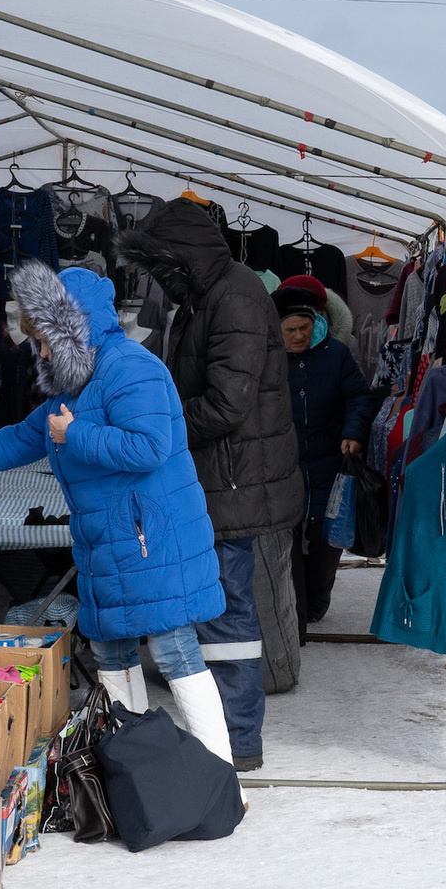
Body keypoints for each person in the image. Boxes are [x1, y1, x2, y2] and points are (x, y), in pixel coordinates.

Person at [0, 261, 236, 768]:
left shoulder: (132, 366)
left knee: (175, 652)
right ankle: (138, 765)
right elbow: (23, 438)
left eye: (43, 339)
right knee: (110, 652)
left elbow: (151, 447)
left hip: (150, 538)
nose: (37, 350)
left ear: (72, 330)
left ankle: (220, 773)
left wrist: (76, 435)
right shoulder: (75, 385)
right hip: (107, 541)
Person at [118, 198, 303, 771]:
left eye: (162, 267)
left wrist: (159, 429)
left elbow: (227, 405)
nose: (160, 282)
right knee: (217, 607)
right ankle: (224, 732)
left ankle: (238, 740)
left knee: (228, 612)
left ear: (182, 257)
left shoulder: (234, 297)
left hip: (235, 483)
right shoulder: (209, 295)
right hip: (225, 480)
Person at [274, 275, 372, 630]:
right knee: (287, 535)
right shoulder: (269, 359)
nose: (299, 335)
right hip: (285, 464)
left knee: (326, 539)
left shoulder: (337, 354)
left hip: (330, 461)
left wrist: (353, 431)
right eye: (291, 330)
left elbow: (359, 397)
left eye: (305, 327)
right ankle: (294, 605)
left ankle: (318, 598)